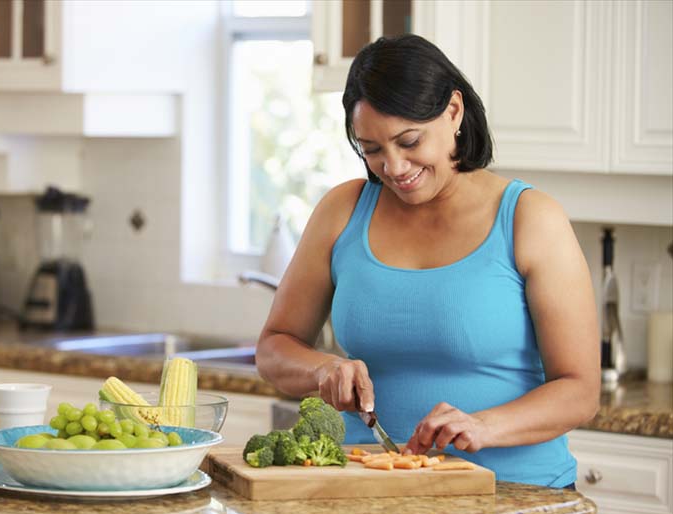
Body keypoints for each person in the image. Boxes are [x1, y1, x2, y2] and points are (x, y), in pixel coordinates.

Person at [255, 34, 600, 488]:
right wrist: (322, 368)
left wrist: (483, 426)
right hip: (370, 488)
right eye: (372, 149)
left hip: (514, 492)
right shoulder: (342, 211)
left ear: (453, 112)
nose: (394, 167)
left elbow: (580, 390)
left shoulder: (529, 219)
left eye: (409, 141)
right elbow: (274, 347)